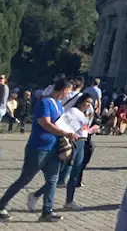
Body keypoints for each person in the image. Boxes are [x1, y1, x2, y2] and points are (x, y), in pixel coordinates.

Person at [0, 77, 77, 223]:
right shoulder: (44, 102)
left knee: (52, 179)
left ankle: (47, 211)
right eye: (68, 90)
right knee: (25, 178)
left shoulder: (59, 105)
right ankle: (1, 205)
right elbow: (45, 123)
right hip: (39, 147)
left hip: (54, 148)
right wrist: (64, 133)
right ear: (63, 89)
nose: (69, 93)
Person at [29, 92, 98, 213]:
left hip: (82, 143)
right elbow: (67, 126)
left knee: (76, 174)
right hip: (73, 143)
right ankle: (37, 194)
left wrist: (91, 130)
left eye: (90, 103)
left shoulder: (85, 114)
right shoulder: (73, 111)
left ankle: (69, 201)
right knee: (61, 177)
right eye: (87, 102)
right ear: (81, 101)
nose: (88, 105)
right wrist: (89, 130)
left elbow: (84, 131)